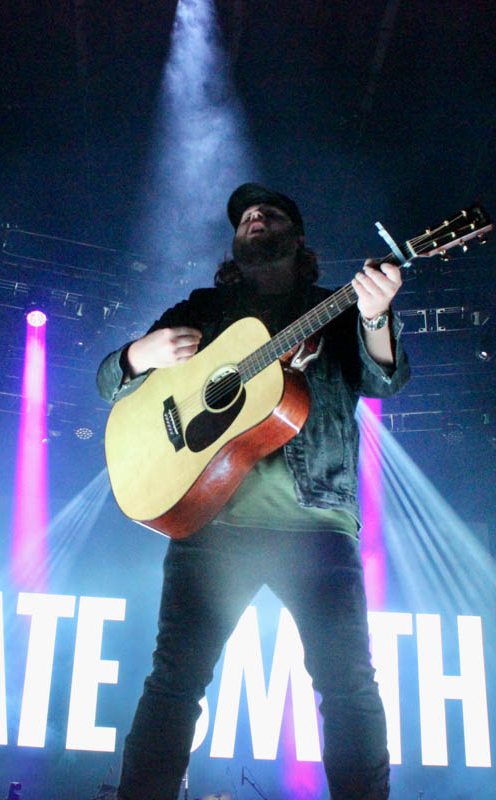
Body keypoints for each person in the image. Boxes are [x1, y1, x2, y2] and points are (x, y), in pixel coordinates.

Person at [97, 183, 409, 800]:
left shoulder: (336, 307)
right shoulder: (202, 308)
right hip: (210, 522)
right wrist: (138, 354)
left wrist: (376, 315)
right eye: (244, 216)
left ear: (298, 238)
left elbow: (384, 380)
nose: (254, 217)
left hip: (316, 522)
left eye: (269, 212)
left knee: (348, 688)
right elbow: (113, 385)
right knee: (173, 685)